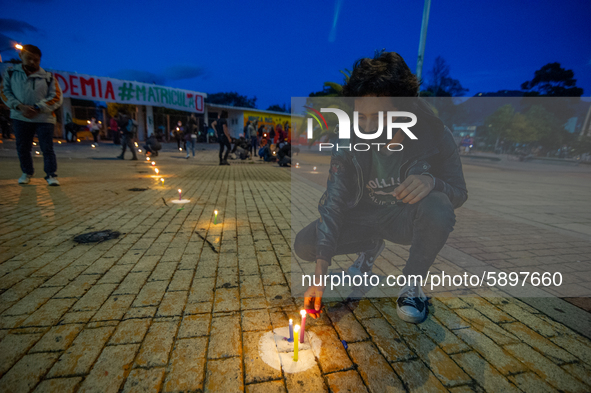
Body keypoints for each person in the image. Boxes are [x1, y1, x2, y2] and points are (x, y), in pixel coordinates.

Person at [294, 52, 467, 324]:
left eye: (380, 117)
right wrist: (320, 273)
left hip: (401, 219)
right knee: (306, 245)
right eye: (361, 117)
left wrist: (432, 182)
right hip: (362, 216)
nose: (369, 128)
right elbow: (335, 199)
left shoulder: (434, 134)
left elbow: (459, 190)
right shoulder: (348, 136)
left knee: (438, 206)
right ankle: (371, 246)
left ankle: (411, 285)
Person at [1, 44, 63, 186]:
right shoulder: (10, 74)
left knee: (47, 147)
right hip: (20, 116)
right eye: (29, 58)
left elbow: (56, 97)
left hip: (44, 118)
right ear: (21, 56)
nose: (32, 62)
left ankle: (51, 174)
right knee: (23, 147)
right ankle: (26, 172)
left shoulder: (48, 77)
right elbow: (4, 93)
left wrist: (38, 107)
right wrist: (19, 106)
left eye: (36, 60)